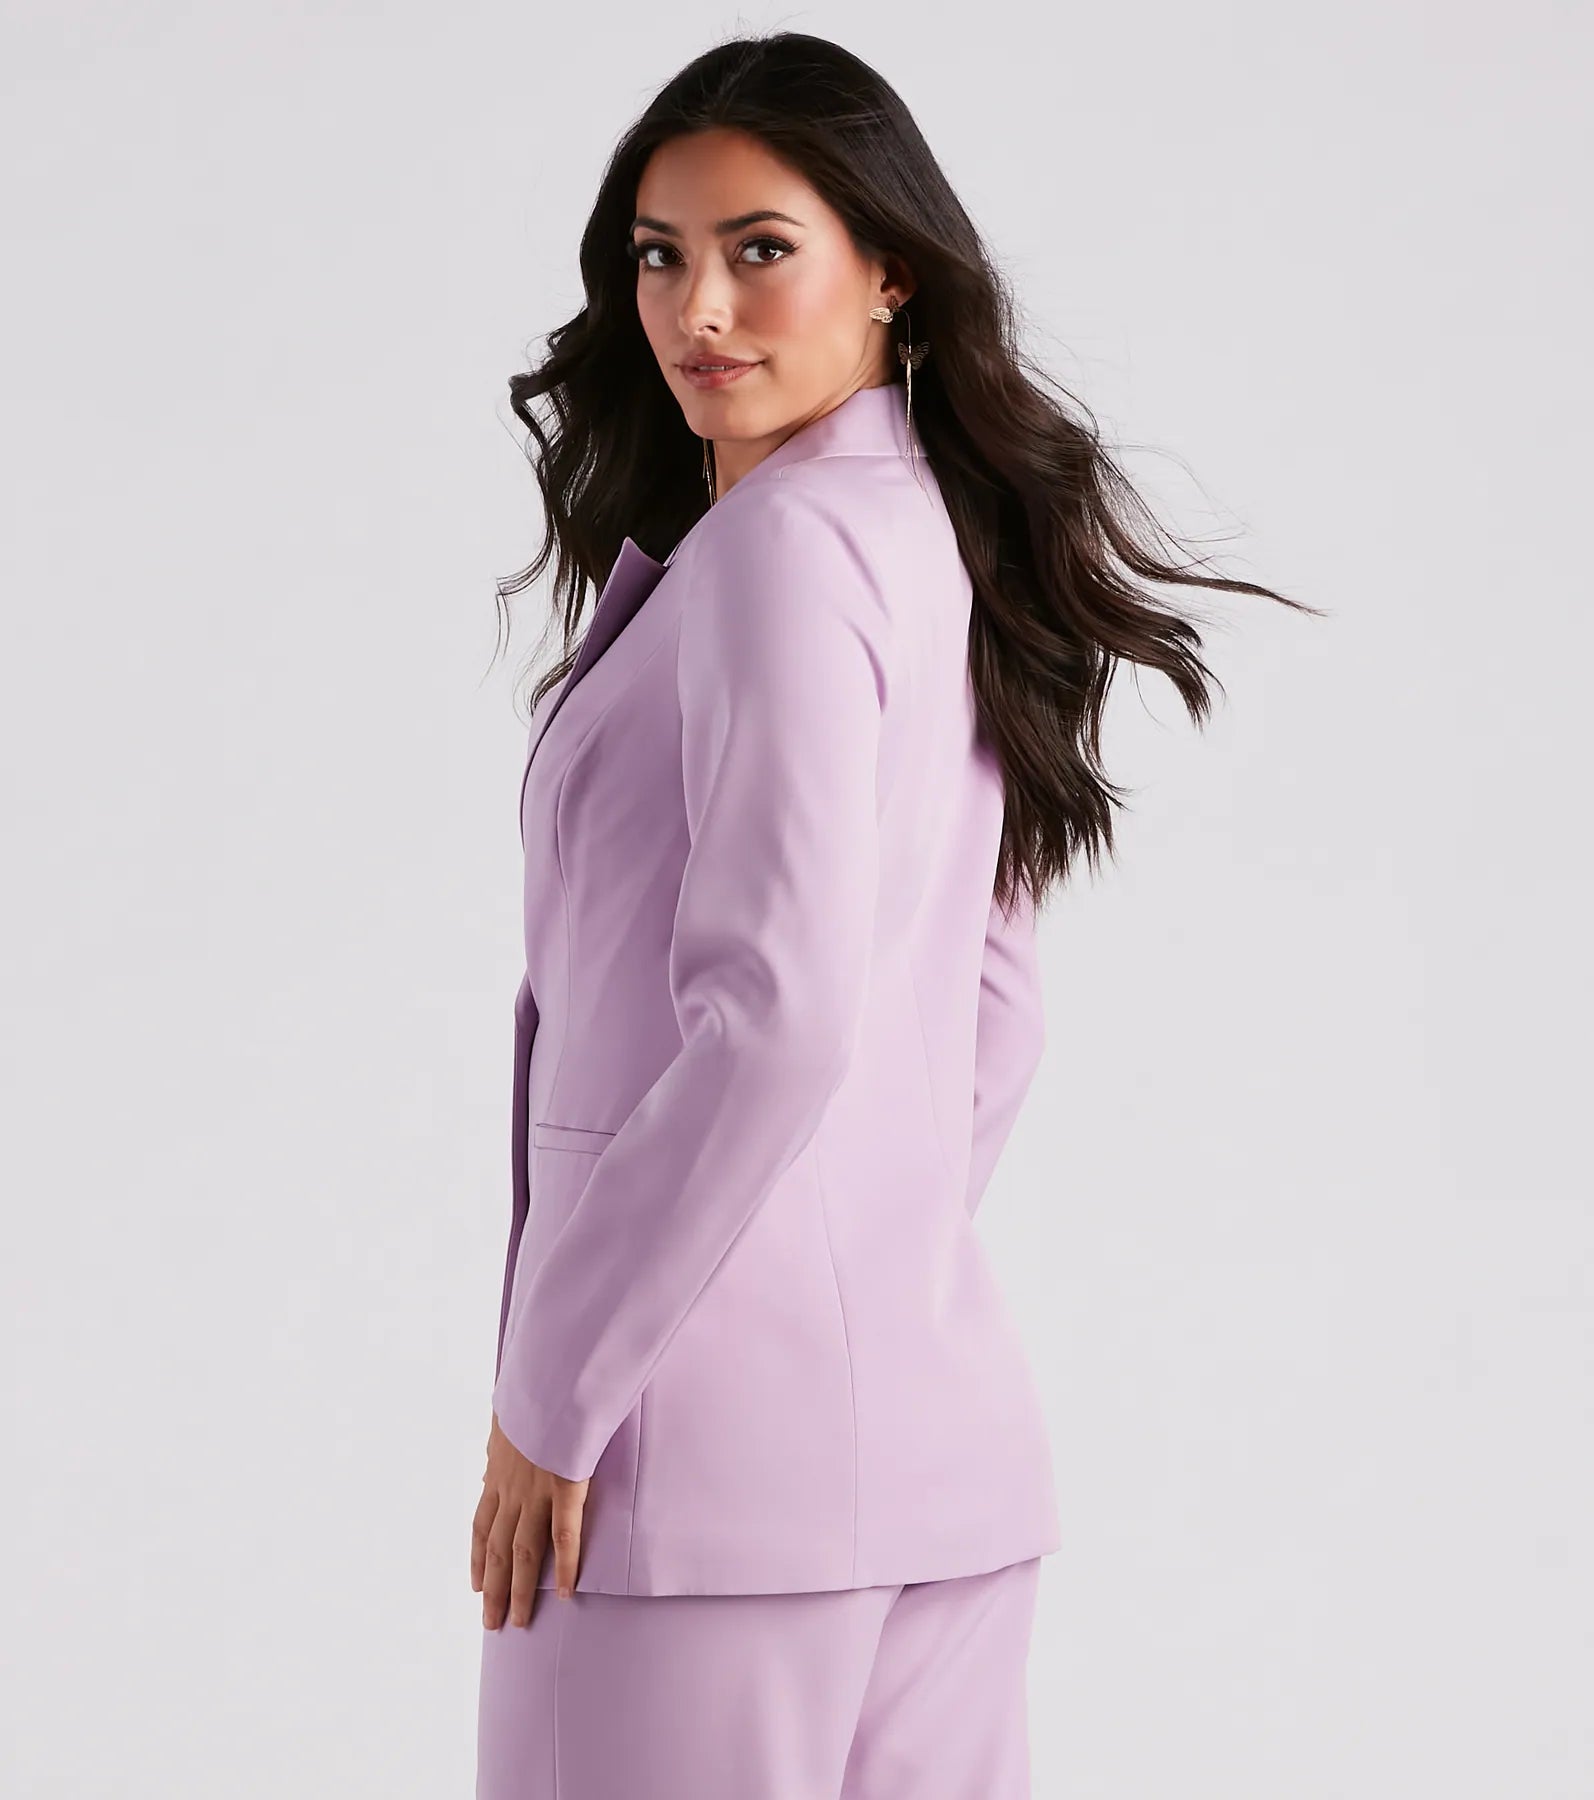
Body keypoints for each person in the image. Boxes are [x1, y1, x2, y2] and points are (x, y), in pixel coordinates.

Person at [471, 30, 1306, 1800]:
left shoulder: (780, 551)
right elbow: (995, 1009)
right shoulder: (930, 536)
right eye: (659, 254)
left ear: (889, 272)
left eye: (760, 248)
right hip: (933, 1456)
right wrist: (850, 1260)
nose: (699, 307)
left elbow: (775, 1019)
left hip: (695, 1481)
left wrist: (555, 1393)